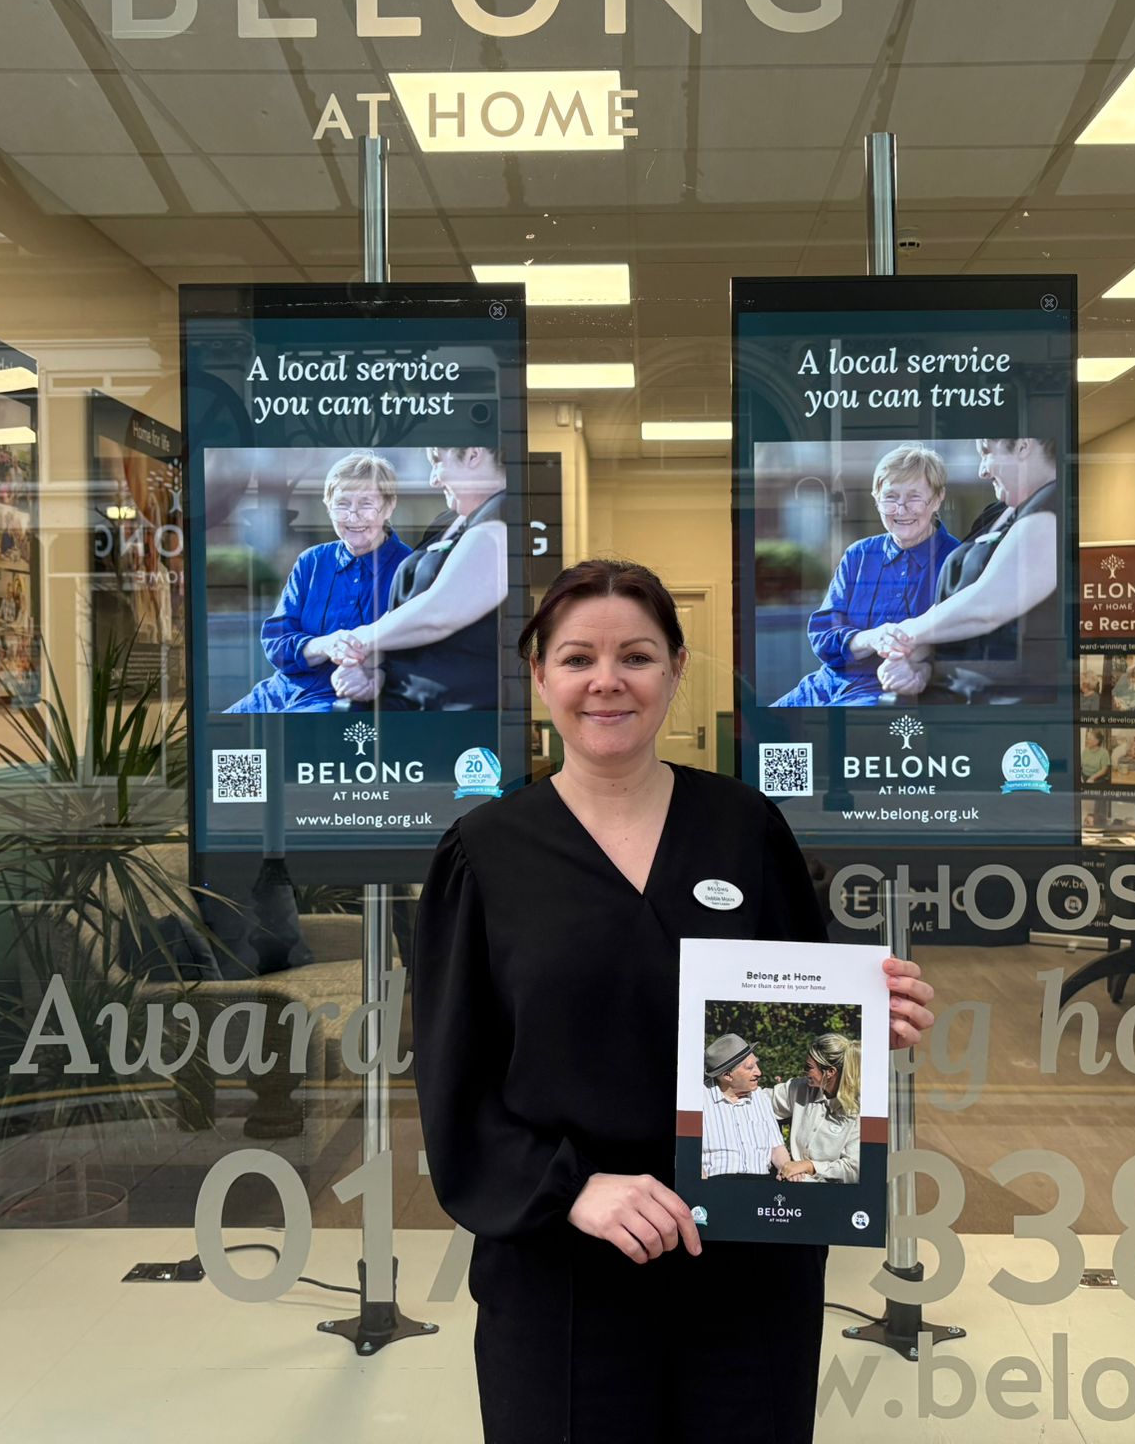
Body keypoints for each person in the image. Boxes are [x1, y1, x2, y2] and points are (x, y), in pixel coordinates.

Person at [413, 558, 937, 1443]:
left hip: (747, 1253)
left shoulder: (744, 828)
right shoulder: (486, 855)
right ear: (539, 676)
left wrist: (866, 1027)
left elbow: (803, 1024)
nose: (607, 681)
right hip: (566, 1260)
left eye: (638, 657)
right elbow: (452, 1081)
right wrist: (571, 1190)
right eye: (577, 658)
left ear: (677, 671)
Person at [867, 436, 1061, 704]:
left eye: (986, 452)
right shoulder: (995, 514)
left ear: (1023, 446)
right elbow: (956, 613)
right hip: (953, 704)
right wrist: (917, 662)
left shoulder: (1053, 508)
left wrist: (903, 635)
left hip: (1007, 712)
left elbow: (987, 607)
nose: (982, 471)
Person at [772, 444, 959, 706]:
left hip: (885, 692)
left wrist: (925, 667)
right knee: (759, 727)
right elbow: (823, 636)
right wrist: (873, 637)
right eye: (891, 497)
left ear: (938, 498)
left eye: (914, 497)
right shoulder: (859, 555)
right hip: (825, 685)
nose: (901, 509)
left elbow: (966, 646)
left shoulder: (958, 560)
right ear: (876, 498)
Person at [226, 452, 410, 713]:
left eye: (366, 504)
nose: (353, 516)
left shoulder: (410, 567)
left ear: (390, 506)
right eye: (342, 504)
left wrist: (377, 673)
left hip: (343, 701)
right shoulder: (311, 562)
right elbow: (276, 643)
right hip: (279, 692)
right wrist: (326, 644)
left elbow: (421, 654)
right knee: (220, 733)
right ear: (327, 506)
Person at [330, 445, 507, 710]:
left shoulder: (505, 517)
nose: (433, 479)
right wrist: (372, 666)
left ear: (473, 454)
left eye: (437, 461)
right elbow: (412, 619)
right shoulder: (450, 521)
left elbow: (440, 613)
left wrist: (360, 641)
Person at [765, 1032, 861, 1183]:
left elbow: (853, 1170)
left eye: (809, 1067)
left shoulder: (859, 1111)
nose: (803, 1071)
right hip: (790, 1184)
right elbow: (762, 1101)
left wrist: (809, 1166)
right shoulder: (800, 1089)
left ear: (830, 1072)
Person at [700, 1034, 790, 1179]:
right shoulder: (699, 1100)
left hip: (761, 1184)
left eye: (756, 1064)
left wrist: (785, 1168)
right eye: (750, 1068)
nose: (759, 1072)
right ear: (727, 1075)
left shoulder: (760, 1097)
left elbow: (776, 1147)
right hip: (717, 1183)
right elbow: (688, 1153)